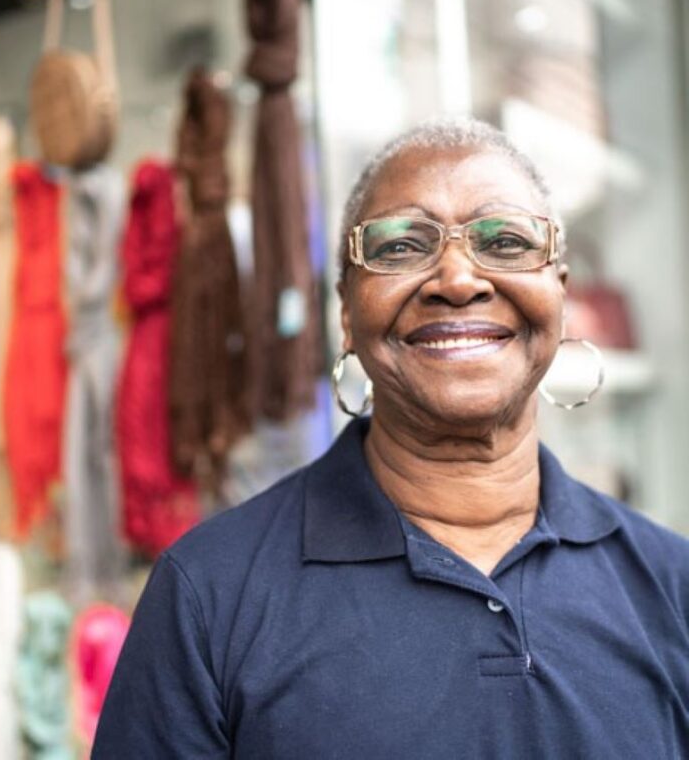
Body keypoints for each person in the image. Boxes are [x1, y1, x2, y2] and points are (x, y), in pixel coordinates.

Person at [92, 119, 689, 758]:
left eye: (506, 241)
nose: (458, 280)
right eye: (402, 246)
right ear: (347, 313)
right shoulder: (207, 596)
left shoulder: (672, 585)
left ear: (559, 296)